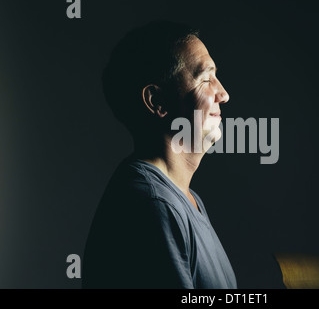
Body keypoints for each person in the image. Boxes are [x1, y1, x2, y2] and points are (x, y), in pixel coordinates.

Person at [82, 21, 237, 289]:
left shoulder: (185, 199)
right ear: (157, 102)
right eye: (205, 78)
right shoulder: (155, 205)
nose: (223, 94)